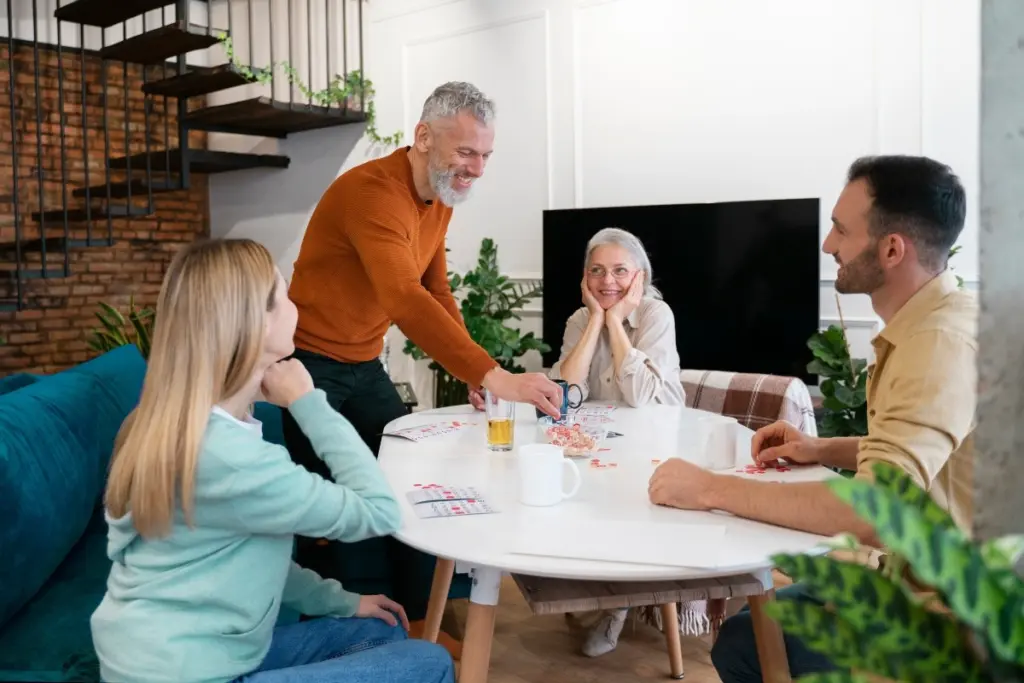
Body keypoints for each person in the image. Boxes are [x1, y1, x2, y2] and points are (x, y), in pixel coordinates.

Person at [647, 155, 977, 682]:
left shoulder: (935, 344)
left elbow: (872, 513)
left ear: (893, 249)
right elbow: (925, 452)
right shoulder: (939, 320)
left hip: (947, 615)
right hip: (914, 572)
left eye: (842, 231)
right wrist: (821, 449)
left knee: (748, 642)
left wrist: (709, 489)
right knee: (752, 622)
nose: (828, 246)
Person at [90, 239, 455, 683]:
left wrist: (344, 601)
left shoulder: (170, 422)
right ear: (253, 323)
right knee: (430, 662)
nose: (295, 303)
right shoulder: (232, 456)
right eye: (284, 294)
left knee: (380, 630)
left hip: (168, 659)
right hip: (194, 674)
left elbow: (253, 558)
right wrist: (309, 402)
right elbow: (378, 511)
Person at [283, 81, 562, 649]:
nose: (477, 168)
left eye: (485, 155)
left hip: (362, 362)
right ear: (423, 138)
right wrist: (494, 373)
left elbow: (436, 290)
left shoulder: (438, 196)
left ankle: (423, 620)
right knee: (356, 491)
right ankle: (369, 636)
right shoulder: (372, 194)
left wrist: (467, 366)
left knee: (410, 474)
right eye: (465, 153)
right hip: (311, 367)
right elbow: (404, 298)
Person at [549, 227, 687, 656]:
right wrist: (596, 320)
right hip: (603, 441)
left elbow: (643, 396)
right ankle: (593, 588)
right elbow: (567, 392)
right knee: (570, 492)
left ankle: (616, 607)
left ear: (639, 277)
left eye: (620, 271)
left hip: (656, 440)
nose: (608, 281)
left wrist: (618, 322)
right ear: (585, 278)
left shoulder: (655, 316)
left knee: (624, 502)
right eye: (597, 272)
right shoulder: (578, 318)